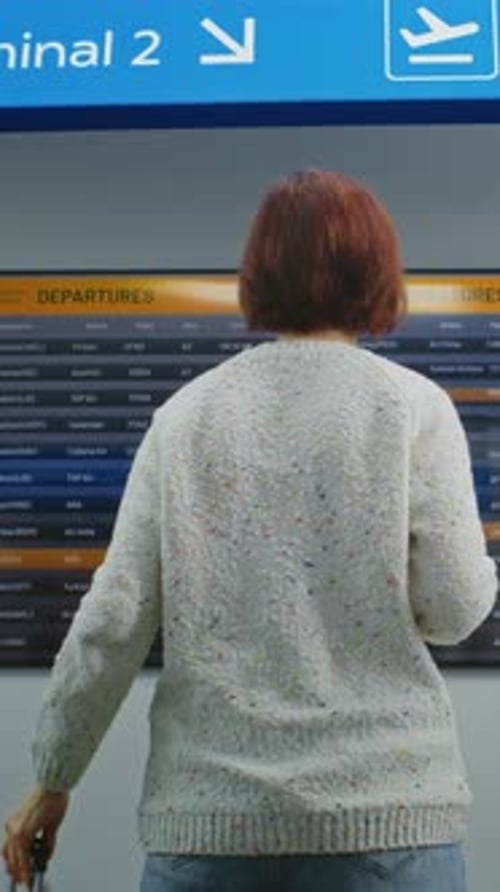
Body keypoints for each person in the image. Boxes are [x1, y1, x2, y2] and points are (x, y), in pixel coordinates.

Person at [2, 170, 497, 892]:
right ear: (380, 271)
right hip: (388, 828)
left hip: (211, 829)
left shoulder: (184, 417)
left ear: (258, 274)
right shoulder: (415, 409)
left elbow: (113, 619)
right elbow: (453, 613)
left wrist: (52, 778)